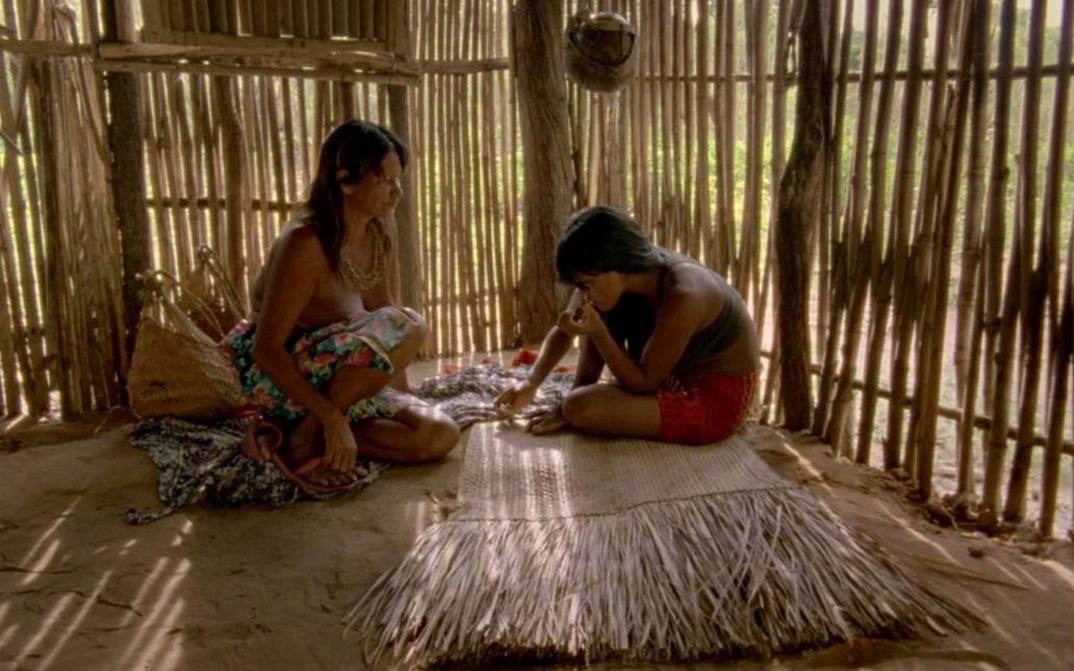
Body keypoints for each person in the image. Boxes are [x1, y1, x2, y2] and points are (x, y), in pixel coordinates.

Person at [224, 120, 459, 492]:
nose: (397, 192)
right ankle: (306, 437)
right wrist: (330, 416)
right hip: (282, 376)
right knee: (411, 323)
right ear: (346, 182)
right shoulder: (305, 243)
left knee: (437, 435)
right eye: (384, 180)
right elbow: (265, 349)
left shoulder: (379, 230)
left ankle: (302, 436)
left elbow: (385, 315)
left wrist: (402, 395)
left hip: (341, 371)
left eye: (399, 179)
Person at [494, 205, 760, 445]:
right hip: (667, 380)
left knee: (581, 407)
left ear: (617, 267)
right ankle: (578, 400)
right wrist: (531, 382)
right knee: (582, 389)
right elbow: (565, 328)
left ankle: (577, 405)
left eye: (587, 284)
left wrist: (598, 332)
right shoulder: (622, 278)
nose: (583, 294)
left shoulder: (685, 294)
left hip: (715, 399)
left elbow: (643, 383)